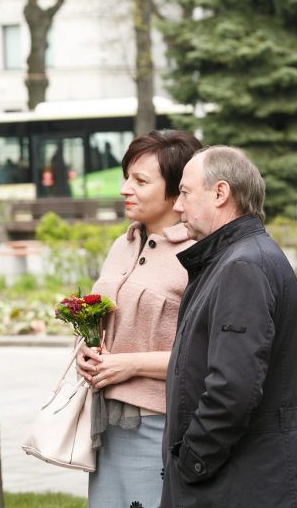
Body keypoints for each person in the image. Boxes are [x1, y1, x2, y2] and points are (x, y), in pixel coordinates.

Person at [162, 146, 297, 507]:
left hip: (234, 486)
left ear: (220, 193)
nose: (177, 206)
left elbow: (232, 388)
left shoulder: (243, 266)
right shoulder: (236, 258)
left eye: (185, 192)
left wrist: (192, 461)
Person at [74, 131, 202, 508]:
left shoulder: (198, 255)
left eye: (141, 181)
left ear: (178, 192)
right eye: (126, 176)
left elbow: (204, 355)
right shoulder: (123, 243)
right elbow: (109, 322)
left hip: (161, 424)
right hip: (107, 421)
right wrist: (85, 350)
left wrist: (129, 366)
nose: (124, 189)